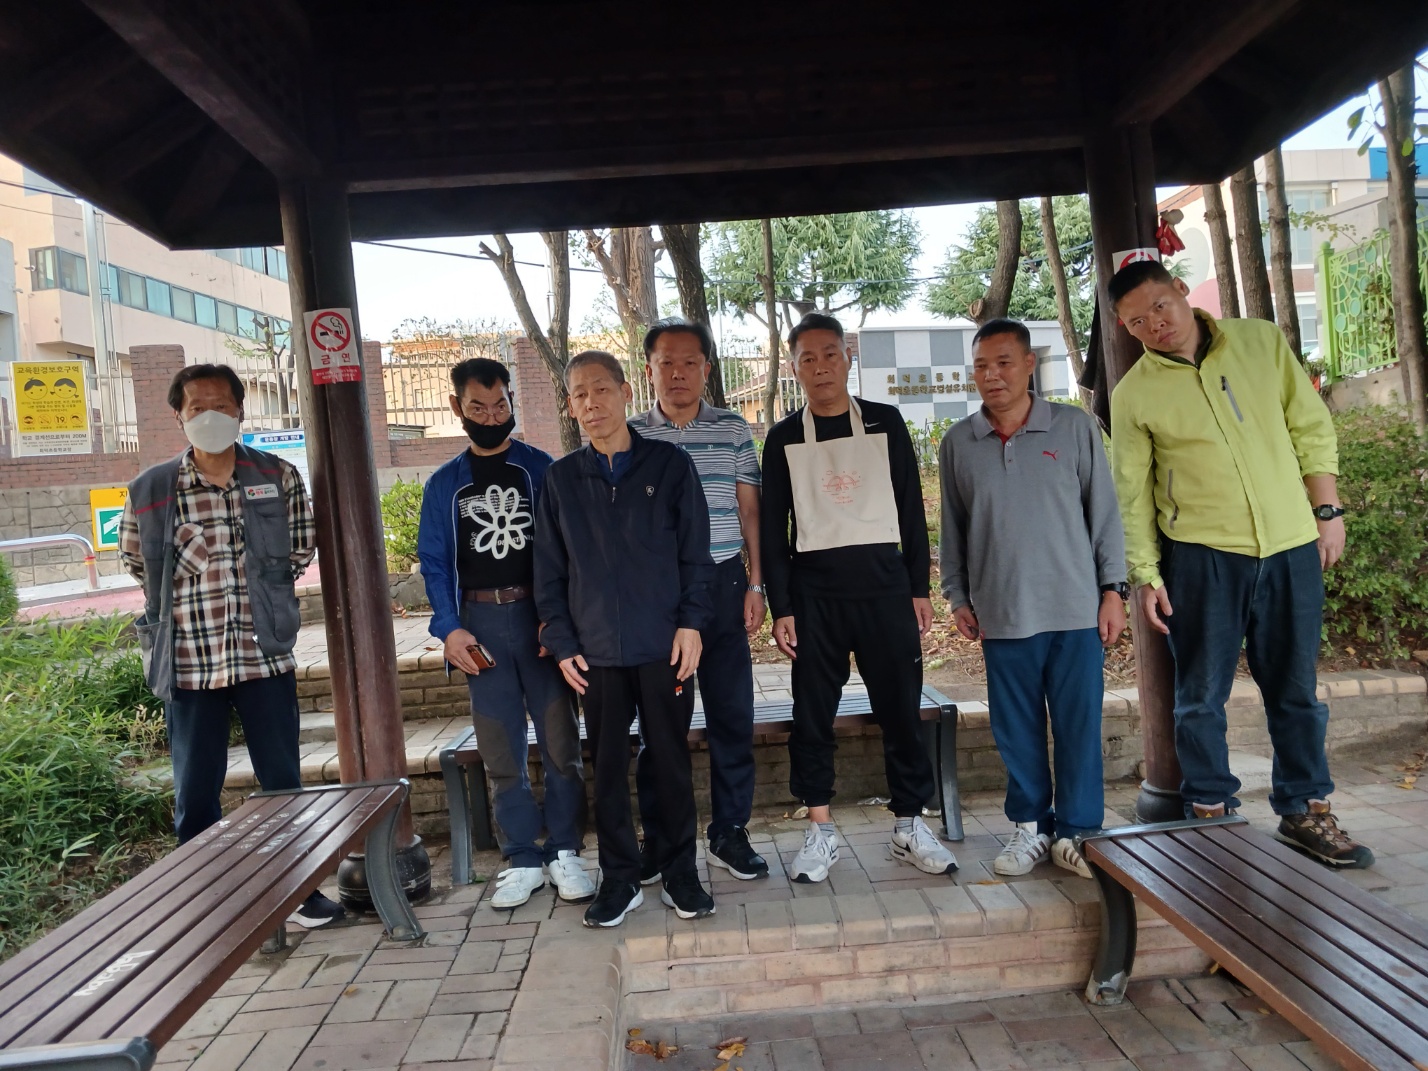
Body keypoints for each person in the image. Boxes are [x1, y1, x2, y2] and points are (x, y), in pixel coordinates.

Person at [1107, 259, 1373, 868]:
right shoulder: (1134, 394)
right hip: (1201, 557)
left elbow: (1309, 424)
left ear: (1181, 290)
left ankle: (1305, 810)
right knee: (1200, 695)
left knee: (1296, 691)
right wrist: (1145, 574)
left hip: (1289, 545)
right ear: (1125, 327)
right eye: (1137, 321)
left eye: (1160, 306)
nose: (1154, 324)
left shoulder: (1260, 342)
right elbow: (1131, 491)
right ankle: (1212, 814)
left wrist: (1327, 510)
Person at [118, 363, 341, 927]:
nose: (210, 416)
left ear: (240, 410)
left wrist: (259, 583)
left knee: (282, 780)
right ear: (179, 416)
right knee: (195, 790)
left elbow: (300, 547)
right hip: (189, 663)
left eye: (221, 405)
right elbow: (137, 562)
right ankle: (206, 900)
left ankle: (297, 892)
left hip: (263, 654)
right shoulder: (152, 489)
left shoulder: (276, 474)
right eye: (197, 407)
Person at [761, 312, 957, 883]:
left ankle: (909, 824)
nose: (820, 367)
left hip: (885, 591)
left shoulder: (885, 421)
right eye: (807, 358)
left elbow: (912, 508)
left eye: (830, 354)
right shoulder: (782, 437)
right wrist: (782, 607)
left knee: (901, 711)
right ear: (793, 367)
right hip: (814, 598)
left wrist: (918, 586)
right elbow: (773, 531)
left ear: (848, 358)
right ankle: (820, 829)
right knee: (812, 715)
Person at [533, 349, 716, 927]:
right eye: (580, 395)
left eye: (601, 390)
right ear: (571, 406)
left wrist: (691, 623)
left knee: (670, 763)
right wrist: (564, 644)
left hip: (665, 647)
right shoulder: (561, 480)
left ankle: (678, 869)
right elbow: (549, 574)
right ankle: (620, 877)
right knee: (608, 768)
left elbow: (697, 554)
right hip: (596, 654)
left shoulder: (669, 466)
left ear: (625, 393)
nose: (592, 403)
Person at [939, 319, 1126, 880]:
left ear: (1029, 365)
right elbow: (953, 527)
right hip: (1001, 612)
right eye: (981, 366)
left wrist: (1113, 590)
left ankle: (1077, 831)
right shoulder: (959, 443)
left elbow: (1104, 515)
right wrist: (956, 594)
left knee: (1078, 725)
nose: (991, 375)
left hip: (1075, 609)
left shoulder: (1073, 428)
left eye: (1003, 362)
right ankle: (1031, 827)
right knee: (1015, 728)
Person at [417, 357, 594, 909]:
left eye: (501, 406)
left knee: (562, 742)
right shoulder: (444, 484)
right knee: (500, 747)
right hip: (480, 626)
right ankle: (521, 856)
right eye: (479, 408)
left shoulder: (541, 469)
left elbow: (569, 550)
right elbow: (434, 564)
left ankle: (565, 849)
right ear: (457, 408)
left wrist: (559, 621)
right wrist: (449, 629)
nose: (492, 417)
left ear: (512, 401)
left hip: (540, 620)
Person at [635, 318, 769, 884]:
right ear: (649, 370)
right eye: (666, 362)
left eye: (689, 362)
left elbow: (750, 510)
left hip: (723, 584)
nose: (678, 373)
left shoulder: (733, 429)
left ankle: (729, 831)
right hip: (659, 594)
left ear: (707, 369)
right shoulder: (632, 435)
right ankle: (662, 836)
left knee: (732, 713)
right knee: (661, 723)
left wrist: (757, 583)